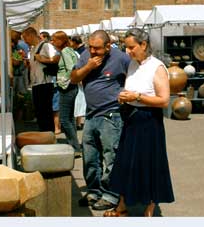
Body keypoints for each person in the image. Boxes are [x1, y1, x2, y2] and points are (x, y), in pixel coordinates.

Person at [103, 28, 174, 217]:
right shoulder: (133, 64)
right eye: (126, 47)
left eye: (131, 47)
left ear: (143, 45)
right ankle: (122, 205)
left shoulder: (157, 67)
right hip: (131, 119)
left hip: (149, 121)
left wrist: (137, 96)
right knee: (126, 163)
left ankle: (150, 209)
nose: (128, 51)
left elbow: (164, 100)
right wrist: (124, 97)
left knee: (150, 164)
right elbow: (132, 89)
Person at [71, 30, 130, 211]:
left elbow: (135, 77)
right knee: (90, 157)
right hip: (91, 114)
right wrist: (88, 66)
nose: (93, 51)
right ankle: (93, 191)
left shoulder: (121, 59)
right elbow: (73, 79)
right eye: (90, 47)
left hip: (111, 115)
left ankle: (110, 194)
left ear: (108, 46)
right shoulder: (86, 57)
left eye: (97, 48)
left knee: (110, 156)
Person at [21, 27, 59, 132]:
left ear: (31, 35)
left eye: (25, 38)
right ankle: (43, 134)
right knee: (39, 112)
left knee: (45, 111)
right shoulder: (33, 48)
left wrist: (43, 59)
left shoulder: (46, 46)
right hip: (36, 84)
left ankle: (48, 134)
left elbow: (56, 58)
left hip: (45, 83)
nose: (24, 41)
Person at [51, 31, 80, 152]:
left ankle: (74, 147)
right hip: (71, 86)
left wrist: (64, 81)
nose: (52, 42)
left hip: (67, 87)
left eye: (54, 40)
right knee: (69, 118)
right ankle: (73, 144)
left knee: (64, 119)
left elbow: (71, 67)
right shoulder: (69, 50)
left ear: (60, 40)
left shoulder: (65, 51)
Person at [69, 35, 87, 130]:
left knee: (78, 101)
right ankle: (78, 122)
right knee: (80, 101)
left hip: (79, 78)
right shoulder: (81, 50)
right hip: (80, 78)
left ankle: (77, 122)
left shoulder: (79, 51)